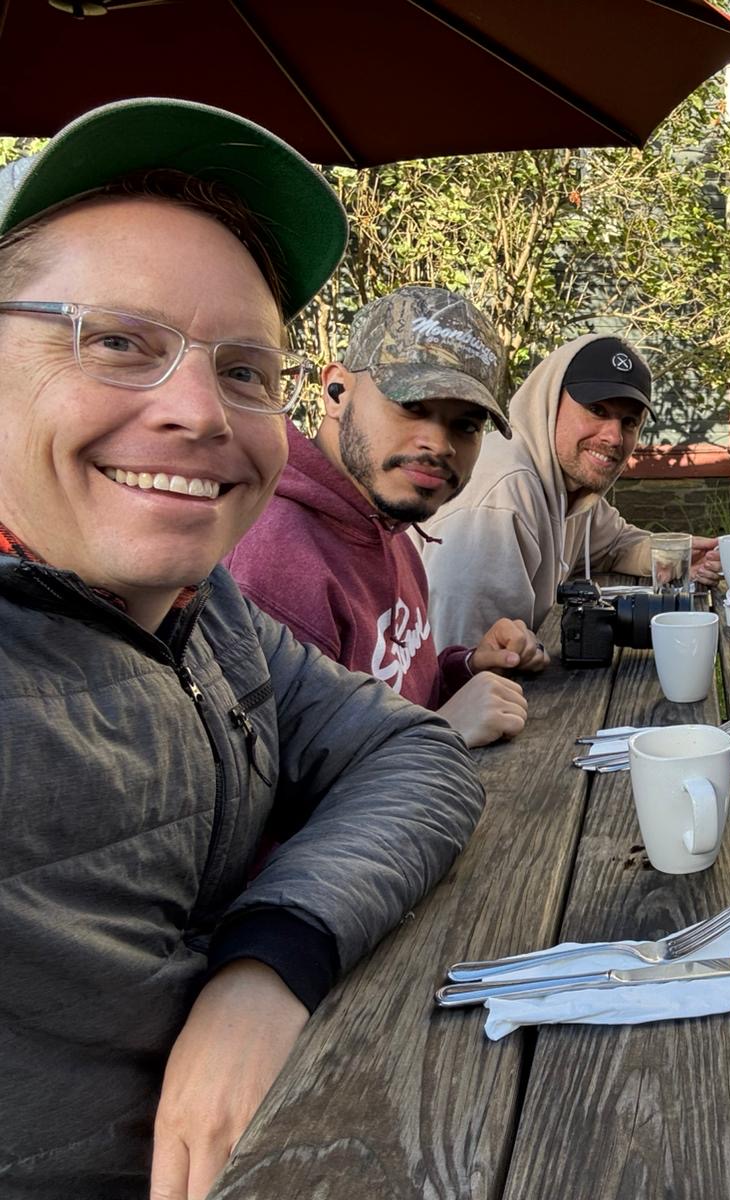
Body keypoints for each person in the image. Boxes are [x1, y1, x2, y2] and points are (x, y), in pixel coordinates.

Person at [0, 99, 484, 1198]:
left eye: (241, 369)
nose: (199, 412)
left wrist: (269, 961)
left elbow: (409, 752)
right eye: (117, 342)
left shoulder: (202, 606)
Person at [225, 286, 543, 747]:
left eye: (466, 424)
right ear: (336, 392)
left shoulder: (387, 519)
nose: (438, 443)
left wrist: (467, 667)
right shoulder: (274, 562)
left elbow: (397, 692)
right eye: (411, 406)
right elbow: (275, 796)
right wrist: (439, 733)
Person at [420, 333, 721, 645]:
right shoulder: (502, 501)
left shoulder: (569, 486)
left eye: (629, 422)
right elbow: (463, 657)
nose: (614, 437)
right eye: (597, 410)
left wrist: (673, 559)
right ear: (549, 401)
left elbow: (615, 544)